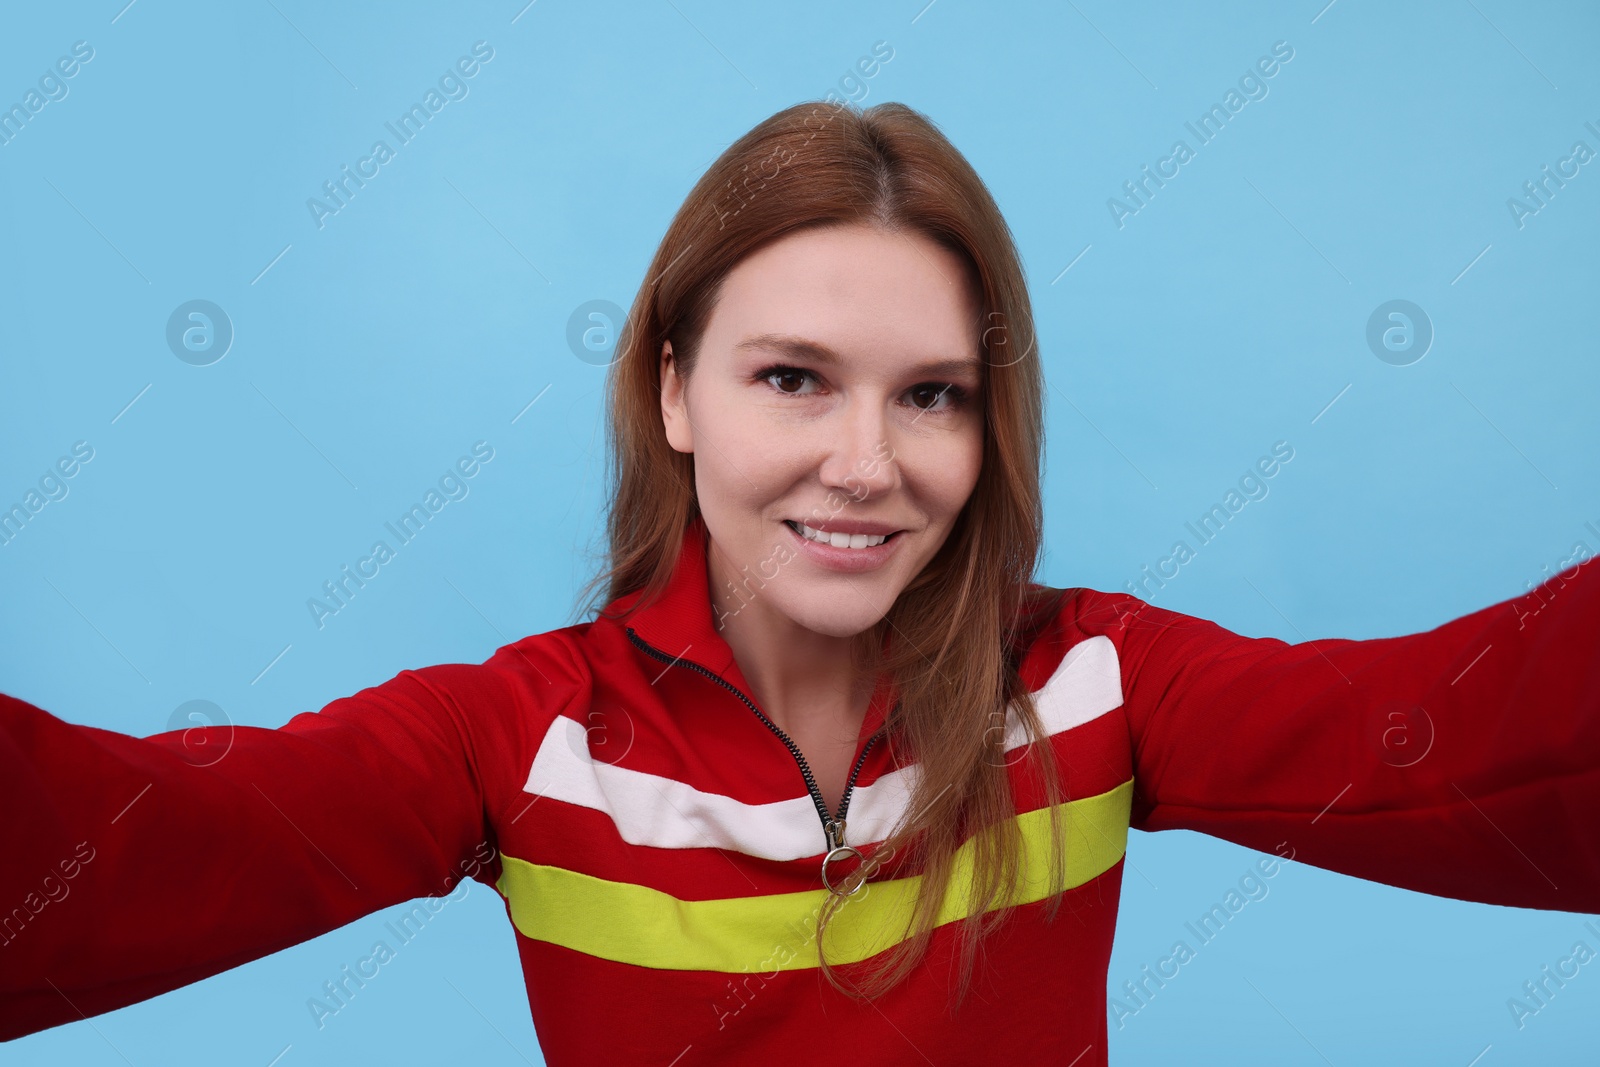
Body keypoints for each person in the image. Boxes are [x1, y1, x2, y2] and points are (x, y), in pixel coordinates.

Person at [2, 99, 1597, 1066]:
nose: (865, 463)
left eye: (932, 394)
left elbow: (1479, 739)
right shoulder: (521, 742)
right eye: (792, 380)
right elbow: (143, 854)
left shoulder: (1099, 687)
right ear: (675, 391)